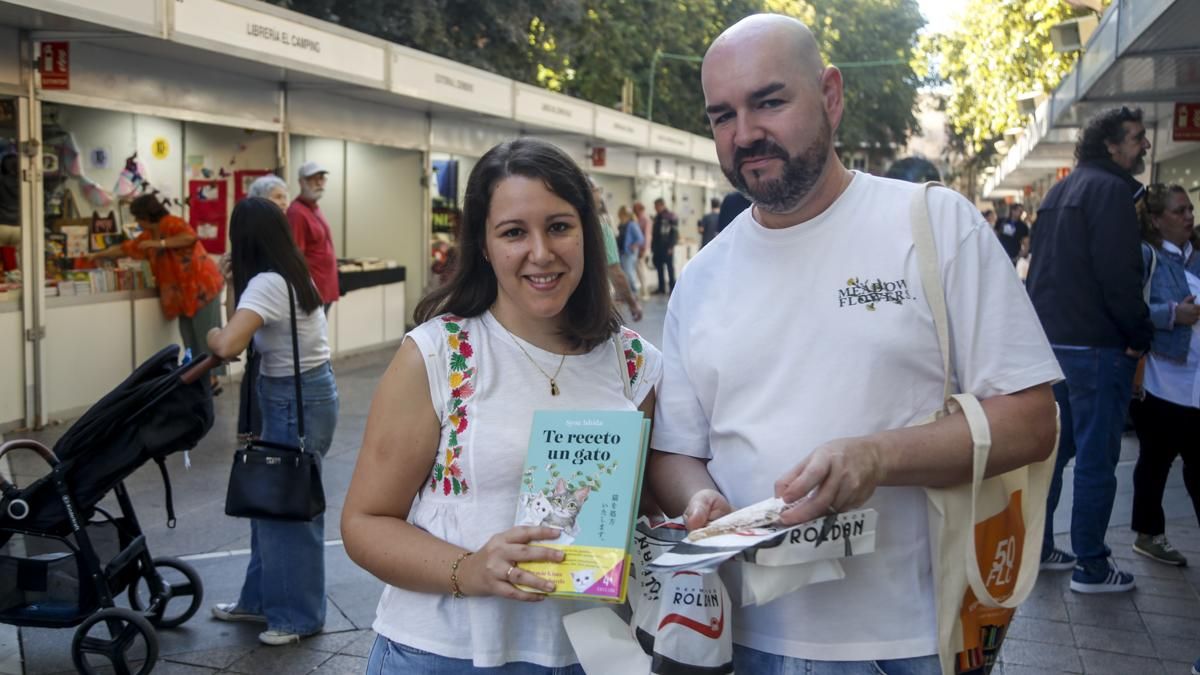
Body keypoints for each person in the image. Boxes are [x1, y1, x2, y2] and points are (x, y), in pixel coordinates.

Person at [648, 14, 1060, 672]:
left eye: (770, 101)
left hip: (916, 642)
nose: (745, 133)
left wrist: (875, 456)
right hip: (746, 639)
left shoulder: (933, 223)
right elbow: (678, 450)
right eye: (722, 115)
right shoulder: (700, 278)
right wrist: (698, 499)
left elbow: (1032, 421)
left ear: (831, 96)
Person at [340, 138, 661, 673]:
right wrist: (469, 569)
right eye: (514, 232)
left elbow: (643, 510)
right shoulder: (441, 353)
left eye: (559, 226)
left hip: (588, 656)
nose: (541, 252)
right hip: (442, 654)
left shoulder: (633, 363)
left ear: (588, 232)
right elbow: (364, 522)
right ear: (485, 246)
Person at [1026, 106, 1153, 592]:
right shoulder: (1111, 192)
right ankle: (1092, 567)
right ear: (1112, 145)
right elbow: (1120, 276)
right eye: (1137, 138)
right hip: (1097, 346)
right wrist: (1138, 336)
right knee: (1097, 460)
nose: (1144, 145)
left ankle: (1039, 549)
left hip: (1055, 344)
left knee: (1055, 456)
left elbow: (1042, 270)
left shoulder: (1062, 190)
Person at [205, 197, 338, 646]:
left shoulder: (267, 283)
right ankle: (258, 601)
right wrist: (229, 287)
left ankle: (298, 617)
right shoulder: (291, 275)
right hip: (308, 394)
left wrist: (210, 335)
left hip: (291, 401)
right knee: (271, 504)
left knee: (288, 513)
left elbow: (227, 346)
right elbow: (241, 328)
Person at [1128, 184, 1200, 567]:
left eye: (1189, 208)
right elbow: (1132, 310)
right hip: (1161, 378)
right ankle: (1148, 533)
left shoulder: (1196, 258)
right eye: (1178, 210)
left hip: (1197, 380)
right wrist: (1173, 313)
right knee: (1156, 461)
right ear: (1156, 220)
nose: (1188, 216)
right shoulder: (1147, 257)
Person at [90, 193, 224, 390]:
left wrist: (159, 244)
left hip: (202, 288)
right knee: (189, 337)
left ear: (146, 215)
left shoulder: (171, 224)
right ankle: (199, 379)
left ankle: (211, 380)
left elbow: (189, 237)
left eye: (137, 217)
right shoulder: (146, 236)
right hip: (181, 295)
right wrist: (98, 255)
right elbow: (126, 248)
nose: (136, 221)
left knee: (206, 335)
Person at [224, 174, 292, 441]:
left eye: (285, 197)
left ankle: (252, 429)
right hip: (260, 336)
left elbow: (228, 341)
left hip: (279, 358)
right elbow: (235, 332)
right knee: (256, 367)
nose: (284, 203)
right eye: (277, 197)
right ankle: (250, 428)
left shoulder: (279, 260)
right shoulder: (256, 258)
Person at [287, 161, 339, 312]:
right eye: (312, 178)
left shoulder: (313, 208)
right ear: (301, 182)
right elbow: (296, 256)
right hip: (313, 291)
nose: (318, 183)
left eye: (321, 178)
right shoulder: (296, 212)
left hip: (324, 288)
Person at [588, 179, 643, 321]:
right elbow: (615, 271)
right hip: (595, 305)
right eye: (597, 190)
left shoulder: (561, 228)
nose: (600, 196)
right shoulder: (601, 228)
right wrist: (633, 304)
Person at [650, 198, 678, 294]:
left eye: (656, 206)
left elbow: (674, 233)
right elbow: (654, 234)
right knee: (659, 268)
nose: (655, 208)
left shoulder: (671, 216)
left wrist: (671, 246)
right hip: (658, 247)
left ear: (661, 205)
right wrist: (652, 247)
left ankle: (672, 288)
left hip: (667, 247)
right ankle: (661, 288)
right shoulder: (657, 217)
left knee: (670, 268)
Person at [617, 204, 644, 296]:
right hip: (622, 252)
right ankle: (627, 293)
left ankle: (634, 292)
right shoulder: (621, 225)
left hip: (629, 253)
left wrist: (633, 246)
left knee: (630, 273)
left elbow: (640, 239)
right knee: (625, 274)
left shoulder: (632, 225)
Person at [632, 201, 653, 298]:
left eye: (635, 209)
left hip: (643, 249)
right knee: (639, 271)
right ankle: (643, 291)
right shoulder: (637, 219)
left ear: (640, 209)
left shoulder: (646, 220)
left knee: (641, 271)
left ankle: (645, 292)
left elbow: (647, 235)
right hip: (638, 249)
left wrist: (643, 250)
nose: (634, 211)